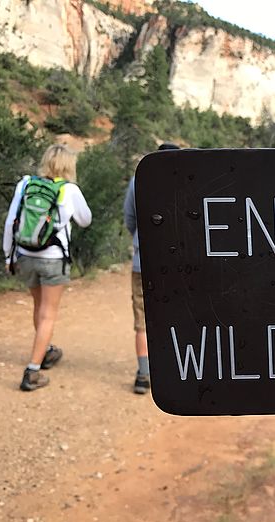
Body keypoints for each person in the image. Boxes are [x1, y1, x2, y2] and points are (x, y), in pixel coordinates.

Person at [2, 144, 92, 391]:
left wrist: (8, 256)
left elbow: (11, 221)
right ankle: (33, 371)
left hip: (25, 255)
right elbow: (86, 220)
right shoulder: (69, 189)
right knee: (48, 313)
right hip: (53, 258)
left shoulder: (26, 184)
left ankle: (45, 351)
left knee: (38, 307)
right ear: (68, 166)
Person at [124, 142, 180, 393]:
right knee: (181, 314)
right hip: (180, 262)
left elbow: (129, 218)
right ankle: (179, 368)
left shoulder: (139, 180)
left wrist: (141, 239)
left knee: (143, 319)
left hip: (144, 259)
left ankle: (144, 374)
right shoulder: (186, 181)